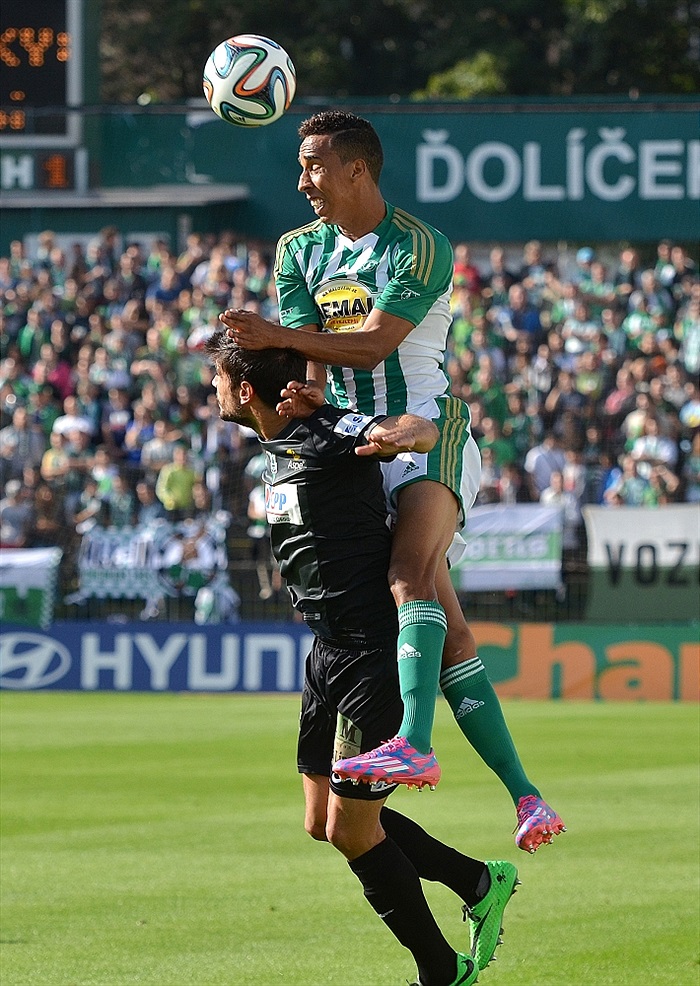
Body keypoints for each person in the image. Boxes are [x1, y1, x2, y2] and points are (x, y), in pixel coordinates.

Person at [220, 109, 564, 852]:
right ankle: (528, 797)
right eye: (301, 166)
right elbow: (319, 362)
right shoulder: (298, 250)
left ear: (358, 170)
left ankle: (412, 739)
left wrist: (277, 338)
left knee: (409, 576)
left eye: (314, 166)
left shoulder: (419, 244)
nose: (302, 180)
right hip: (356, 444)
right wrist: (306, 395)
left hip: (424, 431)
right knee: (449, 629)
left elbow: (374, 347)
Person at [206, 333, 518, 986]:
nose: (209, 388)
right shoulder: (282, 439)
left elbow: (422, 432)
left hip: (374, 653)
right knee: (322, 821)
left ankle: (442, 970)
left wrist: (393, 438)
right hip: (327, 653)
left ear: (243, 389)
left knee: (354, 832)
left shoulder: (324, 430)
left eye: (215, 378)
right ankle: (476, 880)